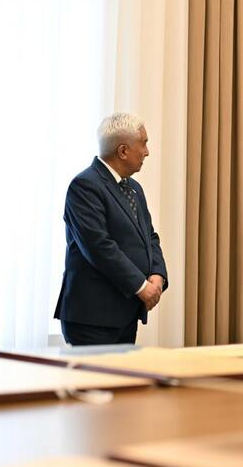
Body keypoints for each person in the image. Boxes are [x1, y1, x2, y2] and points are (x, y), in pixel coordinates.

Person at [54, 112, 168, 345]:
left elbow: (150, 237)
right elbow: (99, 247)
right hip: (92, 318)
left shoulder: (134, 188)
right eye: (143, 144)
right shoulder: (85, 185)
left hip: (126, 313)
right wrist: (141, 286)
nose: (147, 152)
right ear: (123, 151)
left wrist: (158, 275)